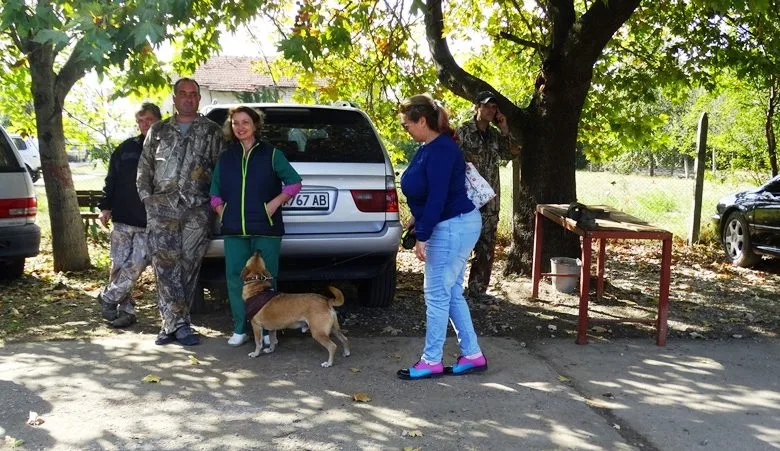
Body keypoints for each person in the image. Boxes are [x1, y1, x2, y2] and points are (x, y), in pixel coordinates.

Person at [397, 94, 487, 380]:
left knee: (436, 294)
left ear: (422, 120)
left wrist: (422, 235)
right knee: (450, 293)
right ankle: (472, 354)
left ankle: (431, 360)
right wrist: (417, 218)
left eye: (407, 124)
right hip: (451, 223)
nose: (405, 130)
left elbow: (438, 195)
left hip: (452, 227)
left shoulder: (442, 150)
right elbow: (430, 191)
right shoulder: (430, 147)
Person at [137, 78, 224, 346]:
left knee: (188, 267)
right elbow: (144, 167)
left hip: (197, 210)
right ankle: (176, 324)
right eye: (183, 93)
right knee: (164, 268)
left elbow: (221, 171)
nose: (188, 98)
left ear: (199, 98)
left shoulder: (212, 132)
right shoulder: (159, 130)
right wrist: (147, 199)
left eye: (193, 94)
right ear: (174, 98)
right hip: (162, 209)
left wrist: (215, 206)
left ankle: (173, 324)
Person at [209, 106, 302, 346]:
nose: (240, 127)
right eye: (235, 123)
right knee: (235, 279)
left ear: (255, 125)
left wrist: (274, 204)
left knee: (266, 280)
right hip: (235, 230)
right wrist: (222, 212)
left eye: (245, 122)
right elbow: (214, 192)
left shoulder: (272, 154)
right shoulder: (226, 157)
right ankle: (240, 329)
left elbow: (294, 183)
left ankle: (270, 330)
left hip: (266, 229)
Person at [96, 102, 162, 328]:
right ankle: (126, 311)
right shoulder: (126, 148)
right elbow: (111, 180)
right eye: (140, 121)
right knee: (118, 266)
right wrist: (105, 207)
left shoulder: (166, 148)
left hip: (148, 221)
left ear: (158, 121)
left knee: (135, 265)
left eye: (149, 120)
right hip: (122, 219)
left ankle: (107, 297)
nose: (144, 124)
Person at [456, 91, 520, 299]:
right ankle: (453, 289)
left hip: (490, 201)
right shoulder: (463, 131)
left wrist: (505, 129)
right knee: (460, 245)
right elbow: (450, 159)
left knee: (486, 246)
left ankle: (477, 290)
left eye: (494, 107)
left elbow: (512, 152)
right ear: (477, 107)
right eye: (487, 105)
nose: (491, 110)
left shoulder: (494, 135)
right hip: (466, 200)